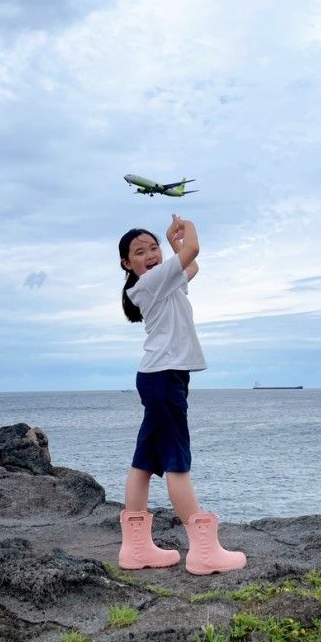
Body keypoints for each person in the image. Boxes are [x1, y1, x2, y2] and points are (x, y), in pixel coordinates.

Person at [117, 214, 246, 575]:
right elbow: (195, 248)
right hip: (164, 378)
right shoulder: (151, 282)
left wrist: (174, 246)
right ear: (128, 264)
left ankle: (136, 550)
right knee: (177, 462)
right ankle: (204, 553)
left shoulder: (164, 281)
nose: (150, 254)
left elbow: (192, 266)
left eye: (153, 247)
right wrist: (186, 227)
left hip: (161, 376)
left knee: (144, 461)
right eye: (139, 252)